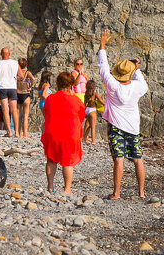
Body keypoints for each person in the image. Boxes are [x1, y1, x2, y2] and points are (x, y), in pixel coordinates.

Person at [96, 29, 149, 200]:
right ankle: (141, 192)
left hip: (116, 126)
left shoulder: (113, 85)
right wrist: (137, 69)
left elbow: (103, 67)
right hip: (133, 127)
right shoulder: (138, 87)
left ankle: (117, 193)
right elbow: (141, 82)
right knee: (137, 158)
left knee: (118, 159)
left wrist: (102, 44)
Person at [41, 71, 83, 195]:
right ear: (70, 85)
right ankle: (67, 189)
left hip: (52, 132)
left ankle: (50, 187)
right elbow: (81, 116)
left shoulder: (50, 98)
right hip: (69, 133)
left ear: (57, 83)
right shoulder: (75, 100)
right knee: (67, 161)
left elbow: (47, 113)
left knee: (51, 159)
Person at [0, 48, 20, 137]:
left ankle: (9, 132)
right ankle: (17, 132)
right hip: (12, 87)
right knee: (14, 110)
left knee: (5, 110)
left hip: (2, 88)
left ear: (0, 54)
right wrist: (14, 78)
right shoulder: (15, 63)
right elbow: (21, 75)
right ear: (9, 54)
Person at [16, 59, 35, 137]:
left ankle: (19, 133)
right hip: (26, 94)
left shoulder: (16, 73)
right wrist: (30, 87)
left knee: (18, 116)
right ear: (26, 65)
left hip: (17, 93)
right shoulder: (27, 73)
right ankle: (25, 134)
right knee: (25, 116)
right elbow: (33, 79)